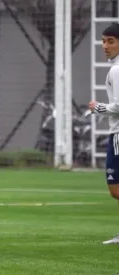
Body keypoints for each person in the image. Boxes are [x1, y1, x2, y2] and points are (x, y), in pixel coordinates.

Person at [89, 22, 119, 244]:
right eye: (103, 40)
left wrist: (97, 107)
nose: (105, 46)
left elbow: (118, 106)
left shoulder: (117, 70)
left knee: (115, 189)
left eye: (111, 41)